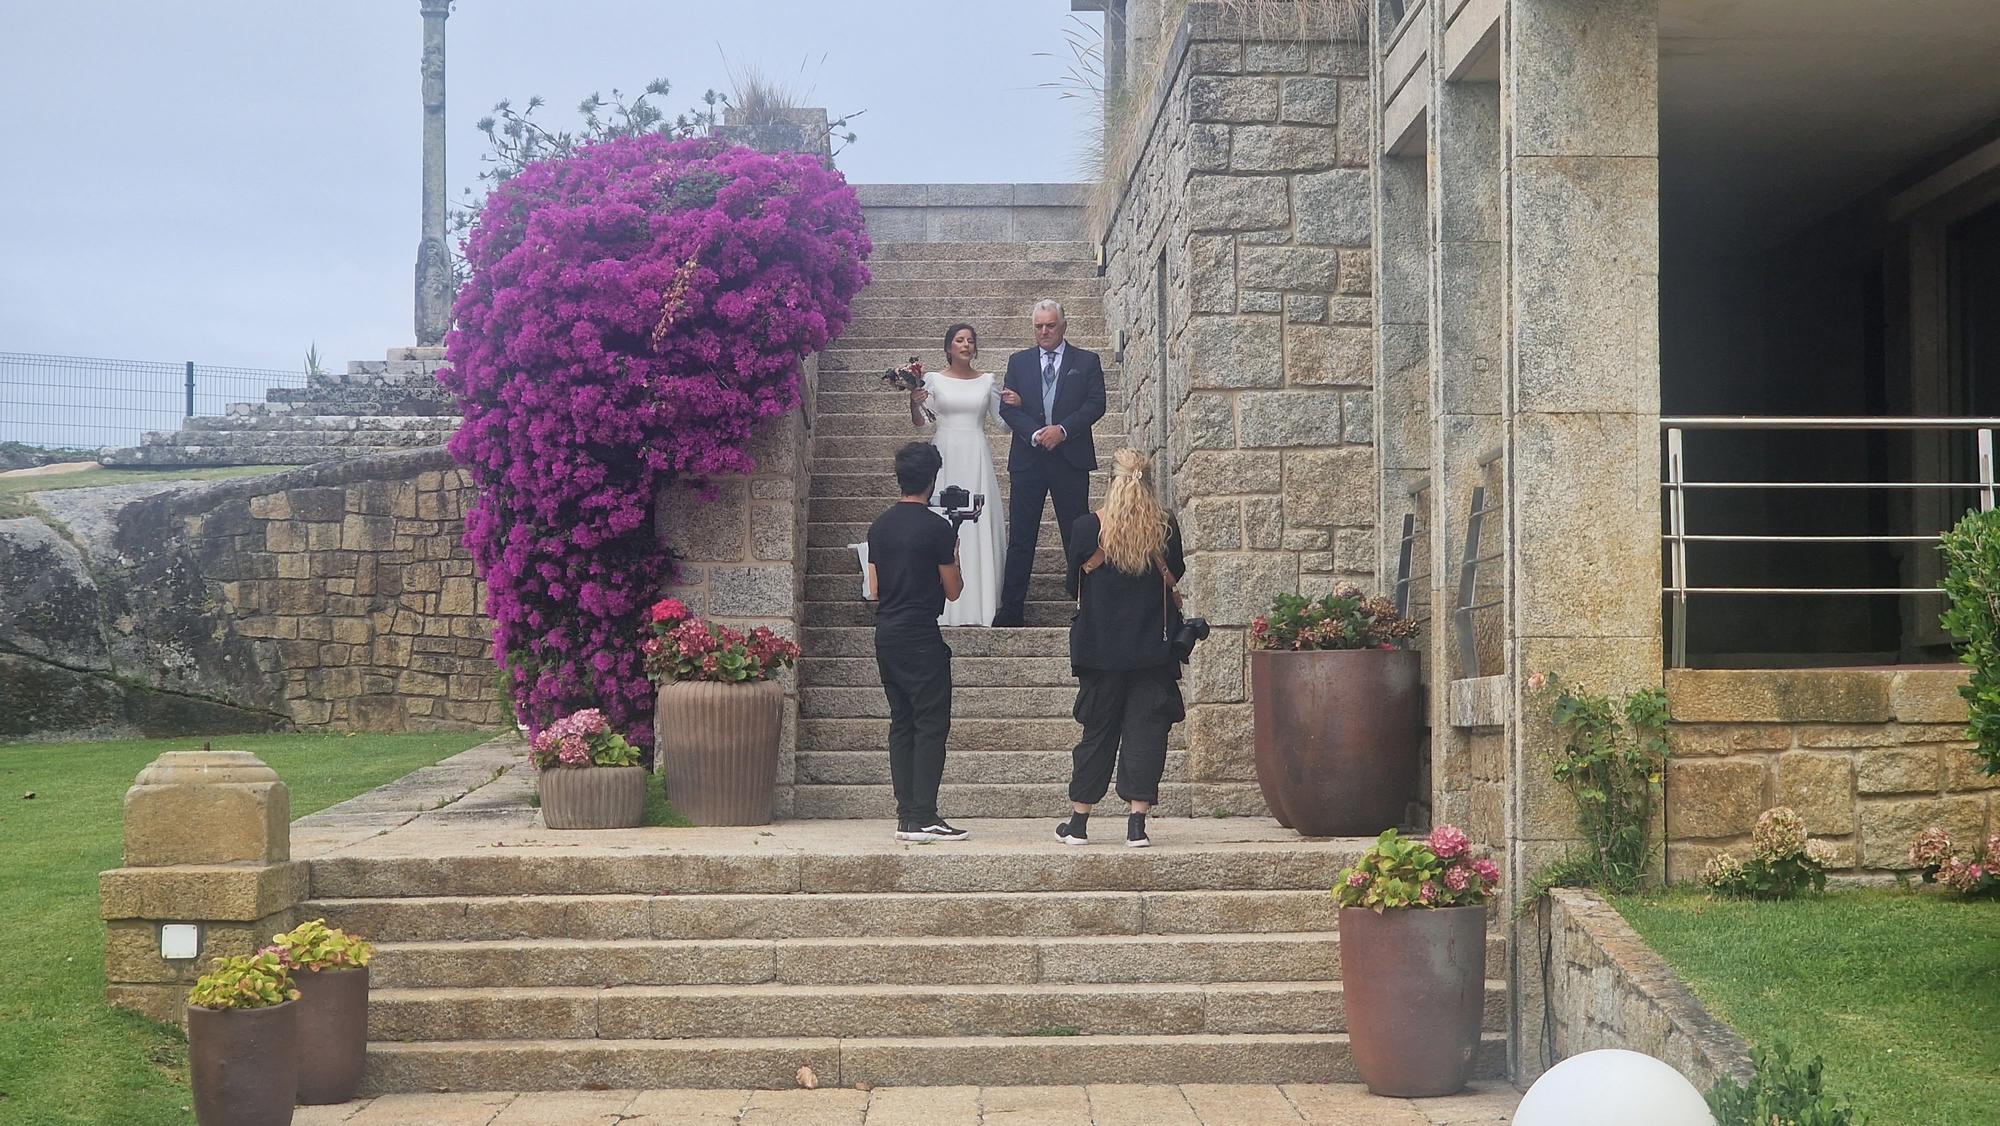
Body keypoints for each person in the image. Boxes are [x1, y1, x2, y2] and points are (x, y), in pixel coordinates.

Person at [1056, 448, 1186, 849]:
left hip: (1100, 650)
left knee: (1097, 732)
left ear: (1111, 480)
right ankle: (1137, 824)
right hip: (1153, 649)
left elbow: (1072, 585)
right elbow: (1175, 572)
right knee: (1147, 731)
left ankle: (1079, 822)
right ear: (1148, 480)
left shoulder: (1085, 528)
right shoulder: (1165, 526)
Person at [863, 442, 971, 843]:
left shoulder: (879, 526)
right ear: (932, 479)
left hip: (886, 632)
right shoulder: (936, 528)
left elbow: (873, 589)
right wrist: (954, 558)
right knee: (930, 722)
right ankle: (924, 814)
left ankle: (907, 814)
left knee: (902, 722)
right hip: (921, 633)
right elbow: (954, 590)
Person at [994, 299, 1107, 627]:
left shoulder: (1086, 361)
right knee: (1021, 536)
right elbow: (1007, 408)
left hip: (1070, 459)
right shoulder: (1019, 362)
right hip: (1028, 461)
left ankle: (1087, 608)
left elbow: (1096, 404)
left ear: (1063, 326)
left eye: (1050, 325)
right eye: (1038, 326)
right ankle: (1012, 609)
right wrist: (1036, 434)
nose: (1044, 331)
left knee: (1078, 536)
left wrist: (1063, 430)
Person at [907, 323, 1016, 627]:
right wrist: (913, 403)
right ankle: (943, 603)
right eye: (959, 340)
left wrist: (1018, 404)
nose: (965, 345)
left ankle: (980, 604)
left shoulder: (987, 381)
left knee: (976, 524)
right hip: (945, 452)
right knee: (942, 520)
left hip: (976, 452)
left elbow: (1003, 424)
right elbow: (922, 423)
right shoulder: (933, 380)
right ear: (948, 347)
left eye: (970, 340)